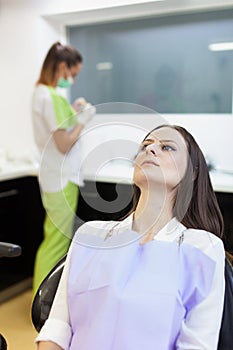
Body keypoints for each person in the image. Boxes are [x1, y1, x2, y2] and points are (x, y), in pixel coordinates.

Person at [35, 124, 225, 350]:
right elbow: (58, 327)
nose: (151, 150)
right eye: (145, 145)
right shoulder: (90, 235)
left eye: (167, 147)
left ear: (192, 172)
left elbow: (198, 345)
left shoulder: (203, 248)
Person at [31, 41, 95, 295]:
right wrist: (84, 120)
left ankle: (44, 297)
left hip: (53, 175)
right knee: (56, 242)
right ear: (61, 67)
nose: (74, 80)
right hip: (62, 177)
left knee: (54, 238)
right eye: (74, 74)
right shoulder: (52, 96)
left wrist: (75, 113)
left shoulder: (42, 93)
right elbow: (64, 143)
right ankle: (43, 300)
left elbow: (59, 128)